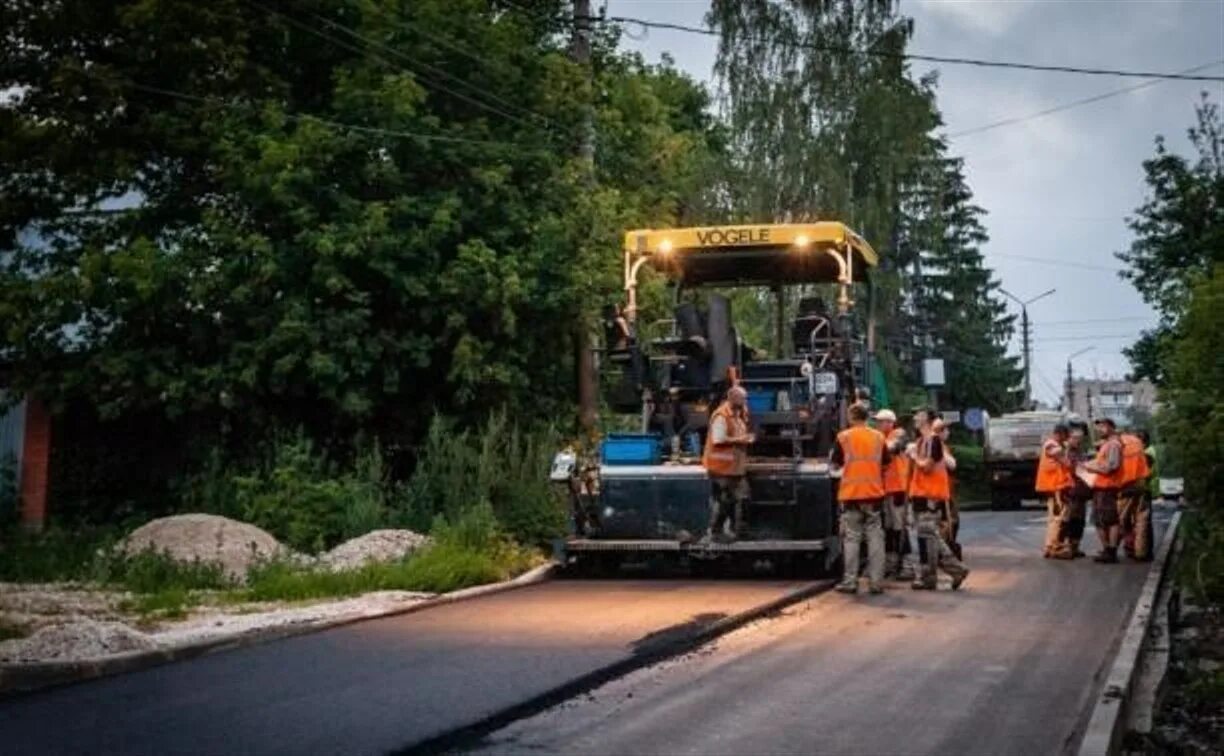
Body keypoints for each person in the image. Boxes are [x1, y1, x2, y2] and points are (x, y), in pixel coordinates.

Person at [907, 409, 969, 590]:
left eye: (918, 416)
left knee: (930, 536)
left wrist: (913, 456)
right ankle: (929, 577)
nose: (915, 419)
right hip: (921, 494)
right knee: (926, 538)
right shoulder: (921, 441)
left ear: (927, 420)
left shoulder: (933, 441)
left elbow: (927, 467)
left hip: (929, 495)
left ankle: (955, 569)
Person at [831, 402, 889, 595]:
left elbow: (836, 464)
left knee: (852, 538)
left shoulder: (844, 437)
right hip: (873, 495)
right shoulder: (879, 437)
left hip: (851, 495)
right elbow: (886, 463)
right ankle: (876, 583)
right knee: (875, 538)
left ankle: (850, 582)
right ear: (866, 417)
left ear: (851, 417)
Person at [702, 385, 754, 542]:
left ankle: (737, 532)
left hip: (734, 469)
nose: (746, 401)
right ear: (733, 398)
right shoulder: (721, 416)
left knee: (740, 498)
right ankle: (717, 532)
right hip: (721, 469)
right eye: (743, 398)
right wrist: (742, 440)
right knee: (728, 500)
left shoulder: (738, 414)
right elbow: (718, 439)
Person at [875, 409, 914, 581]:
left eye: (881, 421)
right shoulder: (881, 437)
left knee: (899, 528)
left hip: (898, 489)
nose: (878, 424)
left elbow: (892, 448)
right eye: (878, 421)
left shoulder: (899, 434)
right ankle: (892, 563)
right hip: (886, 490)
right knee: (889, 529)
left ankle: (907, 565)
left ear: (891, 422)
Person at [1082, 418, 1125, 563]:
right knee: (1102, 520)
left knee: (1107, 520)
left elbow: (1112, 466)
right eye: (1098, 428)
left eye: (1103, 427)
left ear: (1111, 427)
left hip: (1107, 487)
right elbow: (1104, 463)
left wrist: (1090, 467)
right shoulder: (1108, 444)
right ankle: (1108, 549)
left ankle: (1110, 550)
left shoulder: (1113, 444)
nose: (1100, 430)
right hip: (1102, 487)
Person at [1036, 424, 1074, 559]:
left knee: (1054, 518)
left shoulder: (1051, 445)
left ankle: (1050, 546)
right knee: (1058, 518)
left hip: (1055, 487)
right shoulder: (1052, 445)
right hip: (1057, 487)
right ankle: (1055, 546)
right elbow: (1067, 463)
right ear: (1060, 434)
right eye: (1067, 435)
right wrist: (1068, 448)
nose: (1068, 438)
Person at [1118, 429, 1153, 561]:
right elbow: (1148, 474)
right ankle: (1140, 552)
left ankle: (1112, 548)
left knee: (1121, 520)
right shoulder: (1146, 456)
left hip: (1125, 489)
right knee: (1141, 521)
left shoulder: (1124, 453)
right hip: (1141, 488)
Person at [934, 419, 963, 561]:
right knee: (950, 521)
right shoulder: (939, 446)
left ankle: (943, 549)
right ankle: (944, 551)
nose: (948, 432)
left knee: (949, 522)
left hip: (943, 489)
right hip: (942, 491)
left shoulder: (941, 446)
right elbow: (952, 465)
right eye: (945, 430)